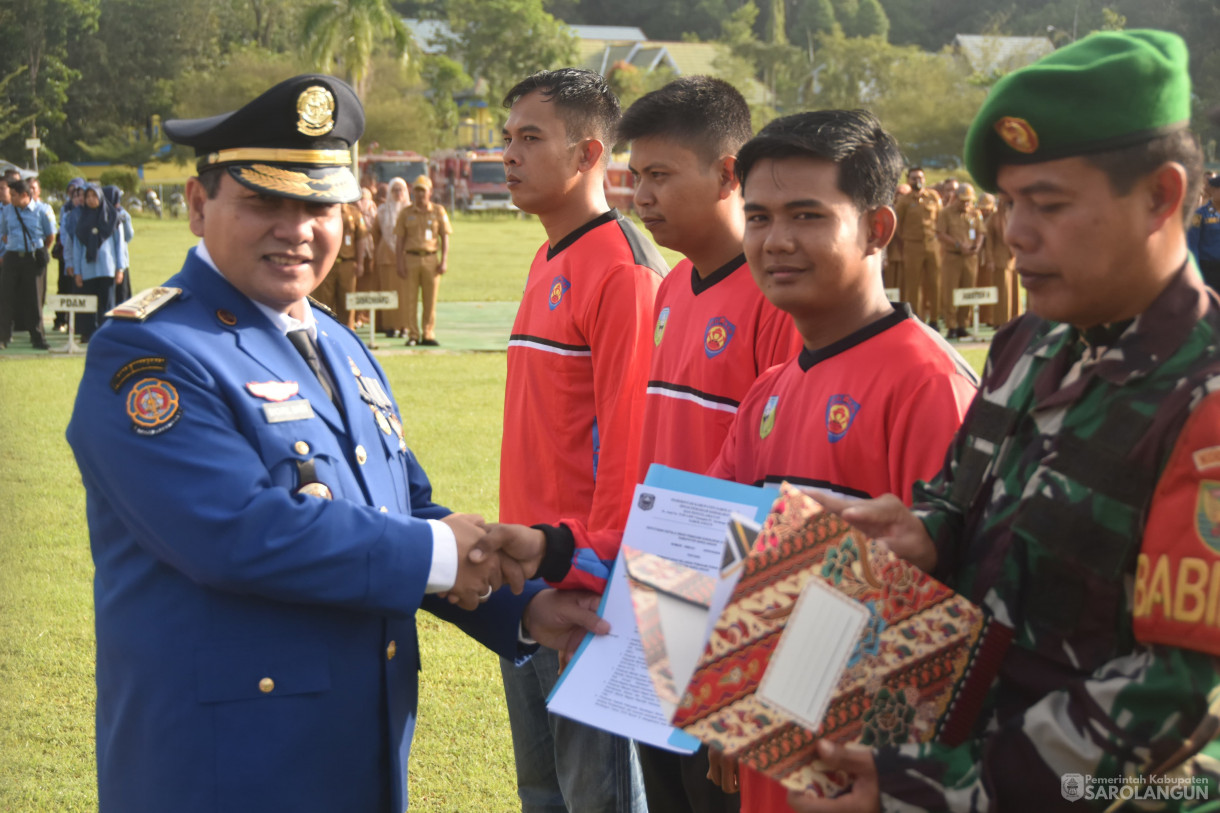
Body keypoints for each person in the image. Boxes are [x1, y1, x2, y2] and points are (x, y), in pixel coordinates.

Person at [63, 73, 607, 813]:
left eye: (319, 204)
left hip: (357, 755)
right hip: (223, 770)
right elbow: (240, 532)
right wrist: (445, 554)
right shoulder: (151, 355)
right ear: (198, 206)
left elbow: (402, 506)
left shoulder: (340, 344)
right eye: (264, 201)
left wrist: (521, 608)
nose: (297, 228)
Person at [782, 30, 1220, 813]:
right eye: (1008, 203)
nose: (1015, 232)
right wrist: (927, 530)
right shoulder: (1030, 340)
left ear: (1160, 195)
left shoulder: (1204, 393)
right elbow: (964, 498)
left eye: (1047, 204)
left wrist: (942, 792)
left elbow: (1176, 694)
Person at [497, 67, 667, 813]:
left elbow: (633, 448)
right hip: (527, 574)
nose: (509, 154)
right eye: (507, 137)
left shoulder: (623, 270)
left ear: (588, 154)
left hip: (582, 588)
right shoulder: (547, 258)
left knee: (597, 797)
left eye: (530, 138)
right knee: (544, 791)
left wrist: (591, 569)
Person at [395, 174, 450, 347]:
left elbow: (445, 237)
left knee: (430, 299)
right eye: (417, 191)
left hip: (431, 258)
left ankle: (428, 333)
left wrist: (444, 260)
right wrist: (399, 262)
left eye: (423, 191)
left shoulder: (438, 211)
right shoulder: (406, 213)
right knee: (410, 299)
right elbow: (399, 240)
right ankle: (413, 334)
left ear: (430, 192)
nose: (420, 195)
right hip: (411, 258)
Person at [0, 177, 55, 350]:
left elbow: (50, 235)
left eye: (14, 195)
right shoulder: (8, 211)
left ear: (25, 195)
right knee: (6, 297)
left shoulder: (42, 210)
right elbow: (4, 233)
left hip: (32, 259)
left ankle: (37, 338)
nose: (11, 198)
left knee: (34, 299)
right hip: (12, 257)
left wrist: (39, 250)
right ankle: (3, 337)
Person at [72, 182, 127, 341]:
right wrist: (77, 271)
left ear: (100, 197)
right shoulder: (82, 219)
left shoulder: (113, 217)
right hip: (88, 268)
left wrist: (120, 268)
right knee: (88, 303)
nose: (90, 199)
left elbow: (119, 245)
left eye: (94, 196)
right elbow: (77, 247)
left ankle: (106, 333)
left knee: (107, 303)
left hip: (107, 268)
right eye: (87, 196)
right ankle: (87, 333)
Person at [893, 167, 942, 330]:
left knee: (935, 283)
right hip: (912, 245)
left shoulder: (933, 197)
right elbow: (897, 225)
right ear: (908, 181)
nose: (918, 181)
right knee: (913, 285)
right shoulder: (904, 201)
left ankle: (934, 319)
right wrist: (906, 240)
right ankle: (915, 318)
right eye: (914, 178)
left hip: (932, 244)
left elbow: (940, 219)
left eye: (920, 177)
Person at [936, 182, 984, 339]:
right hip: (952, 257)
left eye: (969, 200)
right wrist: (957, 244)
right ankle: (951, 326)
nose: (966, 204)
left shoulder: (975, 213)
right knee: (951, 292)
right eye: (963, 200)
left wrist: (977, 245)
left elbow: (981, 232)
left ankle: (963, 324)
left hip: (970, 258)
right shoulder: (945, 213)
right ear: (955, 197)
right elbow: (940, 234)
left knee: (968, 291)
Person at [372, 177, 410, 338]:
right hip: (386, 257)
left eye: (401, 190)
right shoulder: (382, 211)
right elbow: (374, 234)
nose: (398, 193)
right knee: (388, 292)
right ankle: (390, 326)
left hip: (406, 257)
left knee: (405, 293)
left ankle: (405, 325)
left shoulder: (410, 210)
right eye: (394, 190)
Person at [1187, 175, 1220, 289]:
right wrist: (1195, 270)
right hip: (1208, 269)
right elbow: (1192, 243)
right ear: (1213, 190)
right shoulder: (1199, 214)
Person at [109, 185, 136, 302]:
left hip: (121, 258)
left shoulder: (122, 214)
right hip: (116, 259)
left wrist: (121, 243)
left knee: (122, 293)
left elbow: (129, 235)